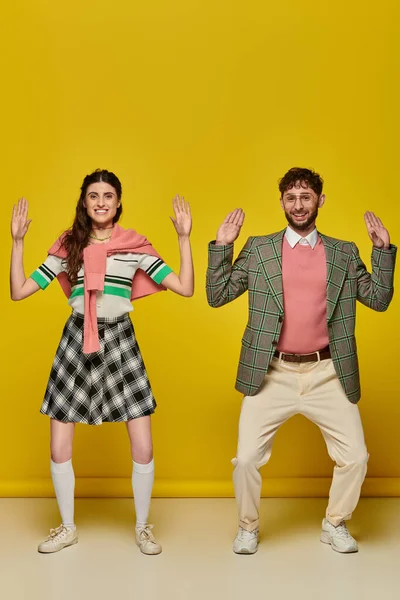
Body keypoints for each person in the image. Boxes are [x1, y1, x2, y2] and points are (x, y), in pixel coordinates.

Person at [206, 167, 396, 554]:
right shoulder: (259, 249)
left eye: (306, 197)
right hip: (271, 371)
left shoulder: (344, 252)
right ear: (281, 202)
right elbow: (217, 295)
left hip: (328, 371)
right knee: (245, 460)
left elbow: (378, 299)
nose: (298, 205)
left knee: (356, 457)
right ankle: (248, 526)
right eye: (291, 198)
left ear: (319, 201)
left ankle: (335, 522)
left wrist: (382, 251)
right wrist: (222, 246)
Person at [10, 169, 194, 555]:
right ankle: (67, 527)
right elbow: (19, 292)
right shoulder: (67, 246)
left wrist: (183, 239)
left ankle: (144, 528)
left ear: (118, 202)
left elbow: (185, 288)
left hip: (120, 338)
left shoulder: (134, 246)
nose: (100, 202)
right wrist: (17, 243)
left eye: (108, 195)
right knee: (59, 442)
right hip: (77, 337)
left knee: (142, 443)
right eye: (93, 195)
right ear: (84, 201)